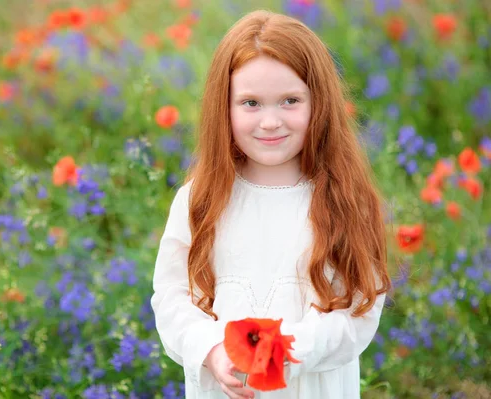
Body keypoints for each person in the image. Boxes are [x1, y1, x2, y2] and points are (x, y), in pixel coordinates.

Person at [151, 9, 392, 399]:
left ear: (320, 103)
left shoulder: (343, 200)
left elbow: (357, 312)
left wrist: (284, 354)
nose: (269, 122)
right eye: (250, 103)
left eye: (289, 101)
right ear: (223, 107)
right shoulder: (199, 200)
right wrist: (210, 349)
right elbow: (172, 295)